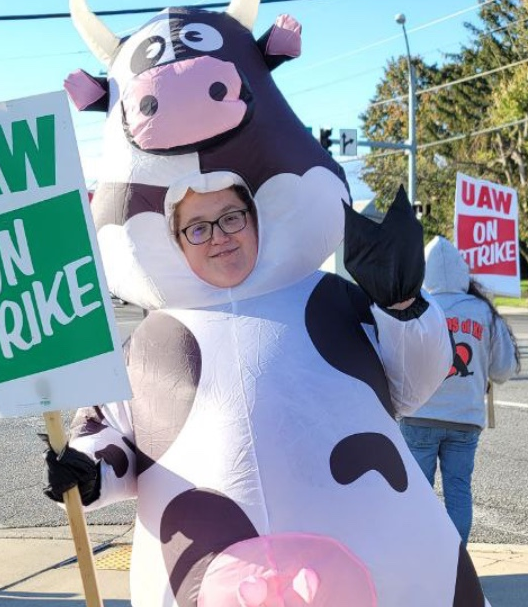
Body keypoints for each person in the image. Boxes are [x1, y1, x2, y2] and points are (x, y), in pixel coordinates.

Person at [40, 172, 482, 607]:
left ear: (254, 218)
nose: (219, 237)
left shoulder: (332, 297)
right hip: (211, 578)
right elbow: (112, 431)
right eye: (198, 228)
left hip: (372, 558)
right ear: (176, 241)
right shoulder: (150, 342)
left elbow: (415, 383)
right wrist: (83, 471)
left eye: (231, 217)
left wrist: (403, 307)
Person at [399, 236, 521, 544]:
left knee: (417, 494)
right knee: (458, 490)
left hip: (419, 415)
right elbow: (503, 370)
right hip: (465, 418)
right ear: (463, 272)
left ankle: (421, 560)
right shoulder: (482, 311)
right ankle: (457, 563)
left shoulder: (417, 307)